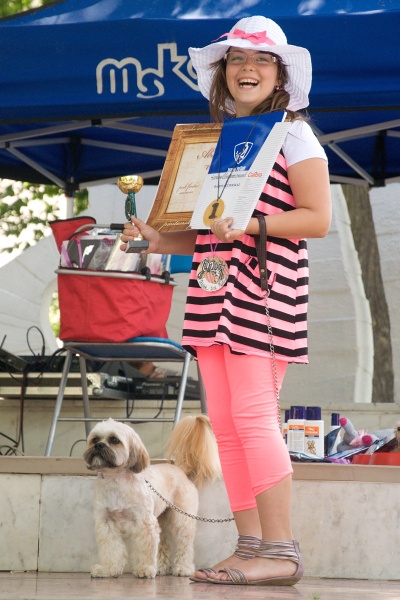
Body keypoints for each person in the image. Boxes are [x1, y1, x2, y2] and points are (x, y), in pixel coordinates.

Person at [121, 15, 331, 587]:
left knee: (255, 419)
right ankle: (251, 547)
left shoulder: (295, 134)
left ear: (281, 74)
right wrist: (158, 240)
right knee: (228, 426)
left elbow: (318, 218)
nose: (247, 68)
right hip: (213, 291)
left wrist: (254, 224)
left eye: (261, 60)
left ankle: (281, 551)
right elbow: (212, 233)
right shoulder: (220, 141)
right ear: (223, 73)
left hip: (265, 290)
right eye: (237, 59)